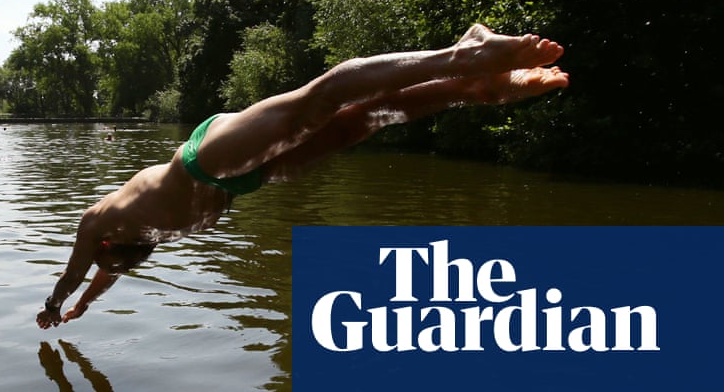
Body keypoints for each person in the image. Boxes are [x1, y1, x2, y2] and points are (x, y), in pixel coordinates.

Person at [36, 25, 568, 329]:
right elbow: (102, 279)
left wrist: (55, 304)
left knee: (320, 102)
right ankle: (473, 89)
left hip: (205, 159)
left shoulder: (96, 223)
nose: (107, 267)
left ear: (104, 244)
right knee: (358, 124)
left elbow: (74, 273)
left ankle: (464, 54)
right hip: (243, 181)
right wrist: (83, 308)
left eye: (105, 262)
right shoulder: (129, 246)